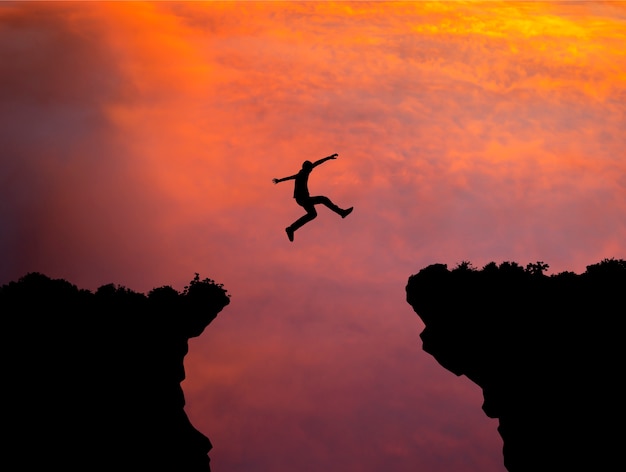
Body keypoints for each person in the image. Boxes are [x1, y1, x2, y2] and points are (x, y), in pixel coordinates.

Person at [272, 153, 353, 242]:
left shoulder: (305, 171)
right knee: (323, 199)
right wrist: (279, 180)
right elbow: (291, 177)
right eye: (310, 169)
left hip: (303, 199)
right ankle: (341, 212)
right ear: (306, 168)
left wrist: (329, 157)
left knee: (313, 214)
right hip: (302, 199)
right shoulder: (301, 174)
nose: (311, 170)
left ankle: (291, 229)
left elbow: (317, 163)